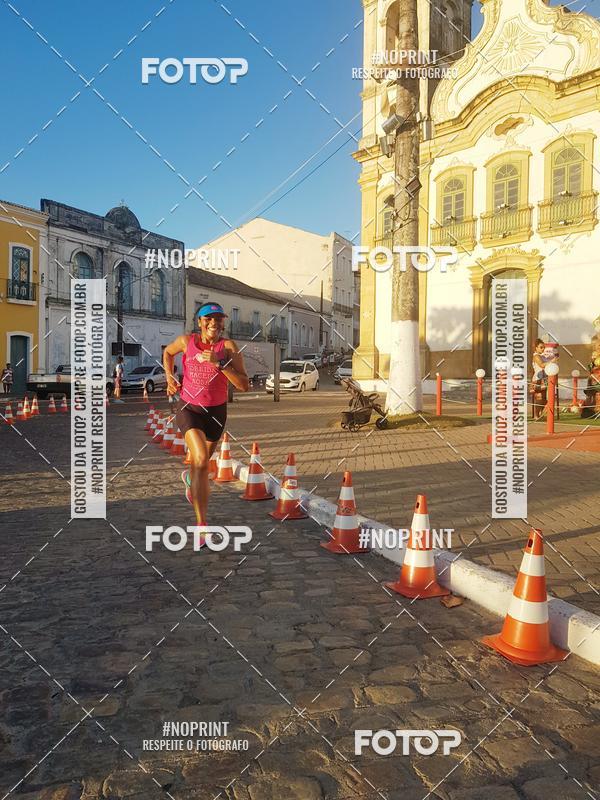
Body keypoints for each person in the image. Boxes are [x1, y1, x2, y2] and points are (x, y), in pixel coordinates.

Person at [163, 302, 249, 543]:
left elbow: (244, 385)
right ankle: (201, 526)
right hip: (189, 408)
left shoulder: (229, 348)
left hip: (216, 412)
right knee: (200, 459)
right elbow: (168, 353)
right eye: (208, 319)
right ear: (199, 322)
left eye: (218, 319)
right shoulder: (185, 342)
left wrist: (220, 364)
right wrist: (169, 378)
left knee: (203, 464)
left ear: (223, 323)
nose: (213, 323)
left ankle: (191, 480)